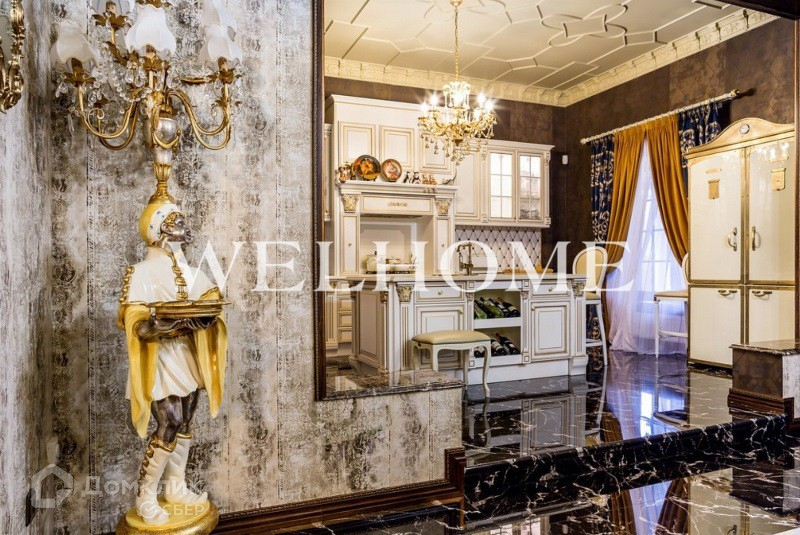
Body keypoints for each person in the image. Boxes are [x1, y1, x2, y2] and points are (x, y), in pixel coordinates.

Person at [118, 197, 227, 525]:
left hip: (186, 354)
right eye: (177, 221)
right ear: (158, 230)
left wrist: (206, 314)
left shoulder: (191, 273)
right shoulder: (141, 272)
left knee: (186, 420)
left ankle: (176, 488)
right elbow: (132, 319)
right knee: (169, 422)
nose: (184, 226)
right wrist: (156, 324)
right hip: (160, 357)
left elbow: (211, 302)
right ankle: (146, 497)